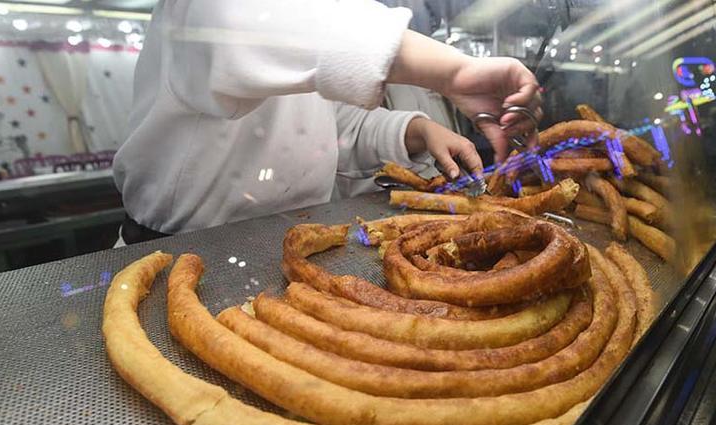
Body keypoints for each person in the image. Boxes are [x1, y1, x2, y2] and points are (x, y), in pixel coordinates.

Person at [113, 0, 542, 245]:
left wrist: (418, 130)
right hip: (174, 253)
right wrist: (454, 71)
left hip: (297, 250)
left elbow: (335, 132)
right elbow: (252, 19)